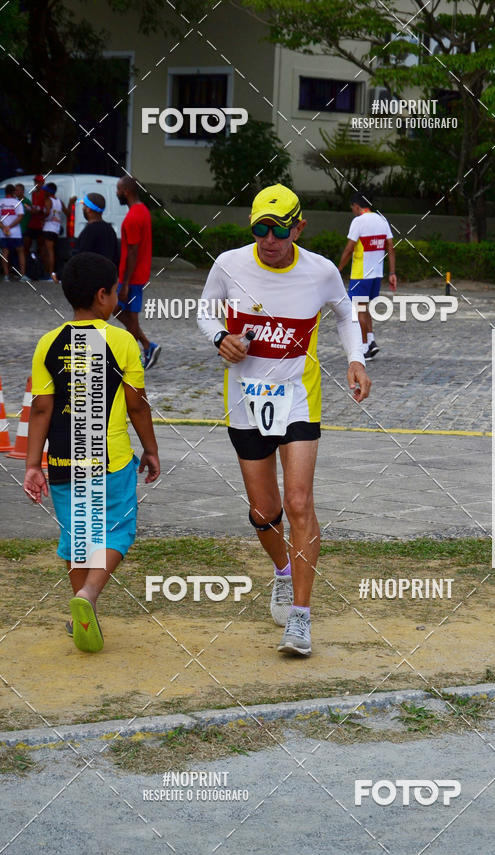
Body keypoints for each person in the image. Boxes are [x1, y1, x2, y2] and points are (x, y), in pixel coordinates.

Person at [198, 183, 370, 657]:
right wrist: (219, 338)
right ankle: (281, 571)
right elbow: (205, 310)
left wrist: (355, 359)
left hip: (297, 396)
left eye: (278, 230)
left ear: (299, 227)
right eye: (260, 229)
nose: (269, 239)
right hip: (245, 399)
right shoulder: (230, 265)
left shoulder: (320, 271)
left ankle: (300, 618)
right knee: (263, 510)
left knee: (298, 503)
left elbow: (344, 316)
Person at [23, 251, 160, 652]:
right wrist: (150, 449)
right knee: (117, 529)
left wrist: (34, 464)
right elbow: (137, 404)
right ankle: (88, 597)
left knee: (80, 536)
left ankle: (83, 616)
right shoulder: (121, 341)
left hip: (63, 461)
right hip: (111, 459)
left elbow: (41, 408)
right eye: (116, 291)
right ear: (103, 295)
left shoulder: (48, 343)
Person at [337, 191, 397, 359]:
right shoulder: (382, 220)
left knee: (357, 310)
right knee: (365, 308)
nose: (353, 211)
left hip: (360, 273)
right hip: (376, 274)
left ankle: (364, 348)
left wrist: (338, 270)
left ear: (356, 206)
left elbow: (349, 249)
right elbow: (390, 248)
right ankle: (370, 340)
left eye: (353, 208)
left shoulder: (358, 222)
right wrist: (392, 272)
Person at [116, 175, 160, 369]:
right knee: (117, 309)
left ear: (126, 192)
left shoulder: (133, 216)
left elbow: (132, 252)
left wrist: (125, 283)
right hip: (137, 275)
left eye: (118, 190)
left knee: (128, 316)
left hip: (132, 277)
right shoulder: (142, 210)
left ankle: (142, 351)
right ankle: (146, 346)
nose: (116, 193)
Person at [73, 193, 119, 266]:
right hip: (107, 274)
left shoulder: (89, 230)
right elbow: (116, 256)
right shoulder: (110, 229)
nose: (82, 208)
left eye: (84, 205)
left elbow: (79, 257)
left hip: (91, 275)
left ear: (88, 209)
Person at [0, 183, 28, 282]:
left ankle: (6, 276)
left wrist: (4, 227)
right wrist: (10, 226)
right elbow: (20, 216)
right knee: (21, 252)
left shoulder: (0, 202)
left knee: (5, 253)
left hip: (3, 232)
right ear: (13, 192)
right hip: (16, 233)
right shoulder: (17, 202)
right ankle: (23, 275)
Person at [41, 182, 68, 280]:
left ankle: (50, 275)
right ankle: (48, 272)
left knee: (49, 252)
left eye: (45, 190)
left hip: (48, 228)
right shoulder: (60, 201)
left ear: (49, 191)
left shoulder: (48, 200)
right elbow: (68, 212)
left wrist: (43, 218)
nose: (43, 192)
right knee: (46, 251)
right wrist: (71, 203)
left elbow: (47, 212)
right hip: (56, 229)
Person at [23, 174, 47, 262]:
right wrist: (31, 208)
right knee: (26, 245)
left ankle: (42, 269)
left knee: (42, 248)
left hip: (40, 224)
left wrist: (36, 210)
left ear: (42, 183)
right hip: (32, 223)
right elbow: (35, 207)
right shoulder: (34, 193)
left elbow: (45, 208)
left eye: (38, 182)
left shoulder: (45, 194)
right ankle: (27, 269)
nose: (36, 183)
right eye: (35, 181)